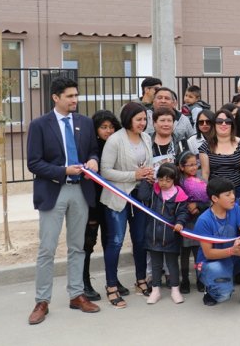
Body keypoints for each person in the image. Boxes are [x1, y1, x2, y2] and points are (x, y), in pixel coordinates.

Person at [27, 77, 101, 325]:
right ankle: (42, 300)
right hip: (53, 191)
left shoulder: (85, 122)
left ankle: (76, 295)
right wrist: (63, 171)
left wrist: (93, 160)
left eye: (76, 95)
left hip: (81, 192)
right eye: (70, 96)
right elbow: (34, 163)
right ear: (55, 97)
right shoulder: (39, 125)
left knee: (77, 247)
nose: (75, 100)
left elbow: (92, 149)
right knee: (47, 249)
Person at [100, 102, 154, 307]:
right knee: (115, 241)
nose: (143, 123)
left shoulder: (146, 137)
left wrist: (148, 173)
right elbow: (105, 172)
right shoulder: (115, 140)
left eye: (144, 119)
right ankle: (111, 286)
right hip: (118, 198)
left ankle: (141, 280)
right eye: (138, 119)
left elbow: (146, 164)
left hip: (139, 197)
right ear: (128, 119)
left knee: (140, 240)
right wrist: (134, 175)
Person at [194, 177, 240, 309]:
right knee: (223, 296)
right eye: (227, 194)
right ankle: (209, 289)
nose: (233, 197)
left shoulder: (235, 209)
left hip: (232, 256)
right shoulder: (203, 220)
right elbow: (208, 254)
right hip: (210, 263)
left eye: (233, 193)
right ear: (215, 199)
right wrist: (231, 251)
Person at [82, 110, 122, 301]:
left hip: (111, 202)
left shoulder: (117, 145)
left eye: (112, 127)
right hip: (92, 202)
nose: (108, 131)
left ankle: (112, 280)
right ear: (95, 129)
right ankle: (84, 282)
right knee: (88, 243)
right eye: (104, 127)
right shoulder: (91, 148)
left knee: (110, 241)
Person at [136, 163, 189, 304]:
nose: (163, 183)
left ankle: (175, 289)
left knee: (172, 265)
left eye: (168, 180)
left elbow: (183, 212)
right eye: (160, 179)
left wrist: (180, 223)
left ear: (174, 179)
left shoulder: (180, 195)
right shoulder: (154, 191)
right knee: (155, 265)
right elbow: (142, 195)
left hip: (171, 237)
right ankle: (155, 290)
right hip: (153, 236)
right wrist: (147, 181)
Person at [199, 109, 240, 200]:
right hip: (216, 192)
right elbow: (205, 173)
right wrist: (206, 196)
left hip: (238, 190)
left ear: (232, 125)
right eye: (219, 121)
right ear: (214, 124)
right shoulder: (205, 146)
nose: (224, 124)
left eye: (228, 121)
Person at [178, 151, 209, 294]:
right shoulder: (178, 182)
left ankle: (200, 279)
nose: (193, 167)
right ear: (181, 167)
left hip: (198, 222)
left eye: (195, 164)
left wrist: (198, 206)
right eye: (189, 165)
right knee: (184, 253)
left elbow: (208, 201)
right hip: (184, 222)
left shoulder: (202, 181)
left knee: (198, 253)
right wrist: (187, 207)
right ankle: (184, 280)